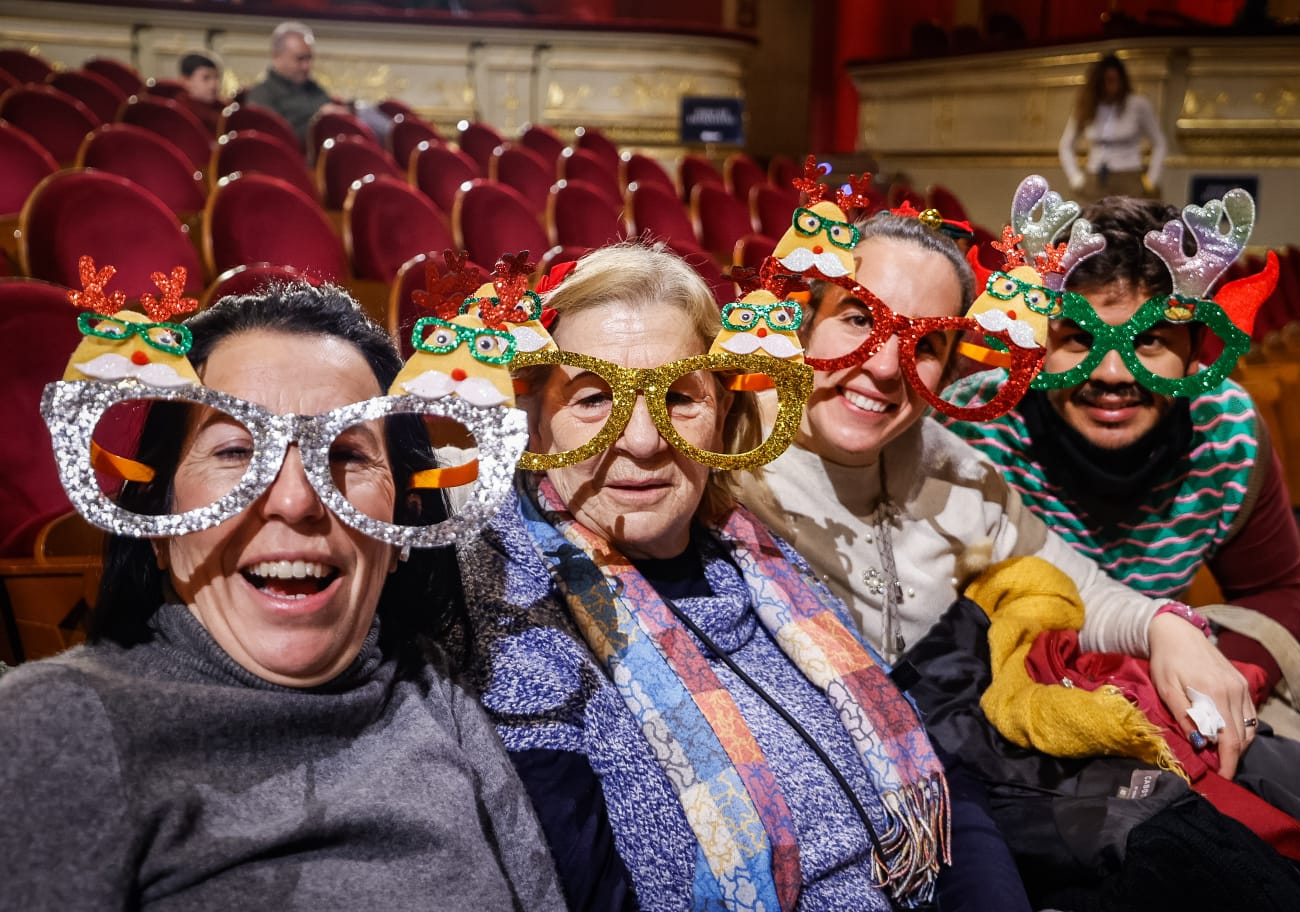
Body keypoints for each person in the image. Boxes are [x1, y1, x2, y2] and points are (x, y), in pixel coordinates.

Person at [457, 242, 1032, 911]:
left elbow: (940, 782)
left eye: (679, 396)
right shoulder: (518, 616)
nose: (642, 440)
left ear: (724, 413)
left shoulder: (755, 557)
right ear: (536, 423)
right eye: (592, 398)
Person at [0, 281, 565, 910]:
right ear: (160, 524)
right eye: (236, 451)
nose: (295, 501)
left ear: (405, 526)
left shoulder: (432, 692)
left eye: (348, 454)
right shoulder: (50, 724)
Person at [736, 207, 1259, 779]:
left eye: (926, 344)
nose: (885, 365)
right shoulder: (720, 460)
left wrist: (1168, 626)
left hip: (952, 772)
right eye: (859, 318)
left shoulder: (959, 471)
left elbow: (1083, 589)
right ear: (803, 322)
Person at [940, 193, 1300, 765]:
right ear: (1037, 346)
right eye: (1078, 338)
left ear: (1195, 354)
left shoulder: (1225, 428)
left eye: (1149, 340)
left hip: (1180, 651)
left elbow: (1275, 590)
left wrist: (1229, 681)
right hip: (1019, 684)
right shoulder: (971, 428)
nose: (1113, 374)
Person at [1058, 52, 1166, 201]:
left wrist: (1151, 180)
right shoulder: (1087, 106)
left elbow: (1160, 143)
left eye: (1114, 80)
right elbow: (1065, 145)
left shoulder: (1137, 105)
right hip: (1095, 180)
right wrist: (1076, 179)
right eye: (1106, 81)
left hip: (1129, 178)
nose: (1111, 86)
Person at [245, 21, 354, 144]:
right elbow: (272, 141)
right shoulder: (262, 94)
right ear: (277, 57)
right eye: (300, 59)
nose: (306, 66)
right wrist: (318, 122)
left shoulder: (314, 89)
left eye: (309, 58)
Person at [179, 50, 226, 132]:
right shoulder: (180, 112)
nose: (213, 85)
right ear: (186, 81)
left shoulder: (223, 110)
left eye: (216, 77)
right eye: (206, 78)